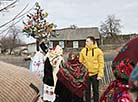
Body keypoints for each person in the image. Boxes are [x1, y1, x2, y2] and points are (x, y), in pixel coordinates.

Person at [79, 36, 104, 102]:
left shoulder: (98, 51)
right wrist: (81, 73)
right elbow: (80, 62)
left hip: (95, 74)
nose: (85, 42)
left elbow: (101, 63)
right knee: (87, 91)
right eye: (86, 41)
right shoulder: (83, 51)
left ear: (92, 42)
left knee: (95, 90)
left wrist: (100, 74)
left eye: (87, 41)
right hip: (86, 74)